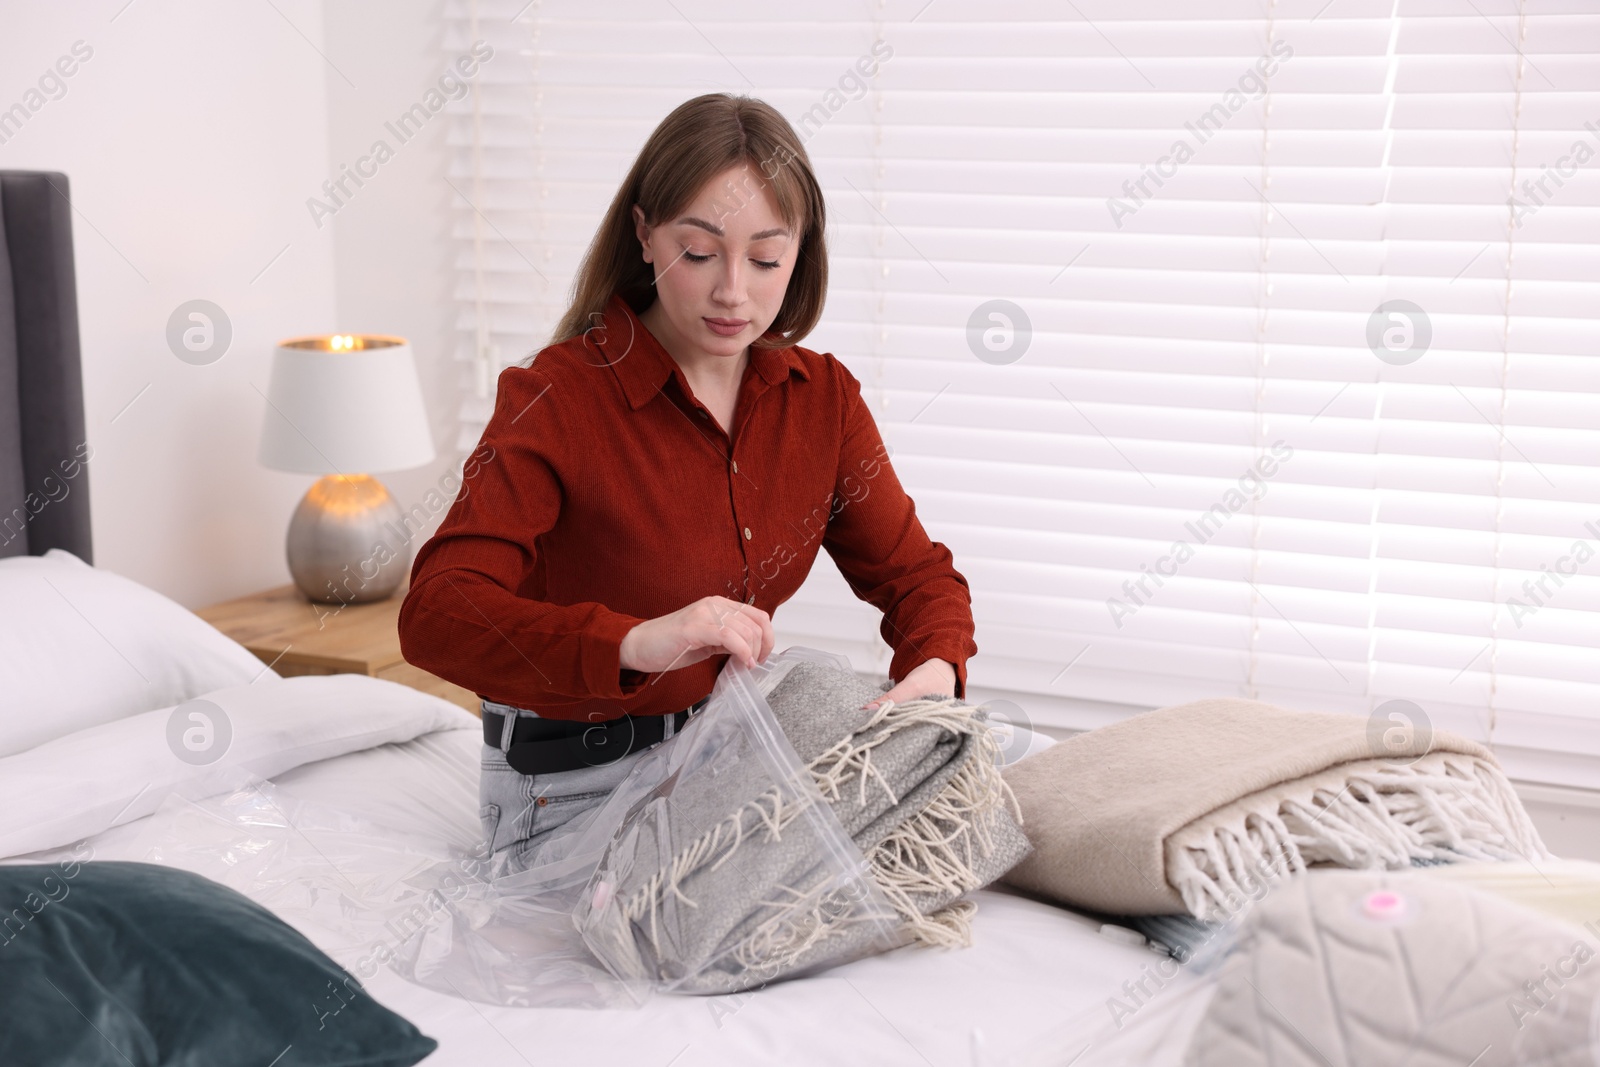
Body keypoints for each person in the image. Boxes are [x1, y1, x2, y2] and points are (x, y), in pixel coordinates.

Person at [398, 92, 977, 869]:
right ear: (642, 233)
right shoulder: (557, 396)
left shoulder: (822, 399)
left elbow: (917, 577)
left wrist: (933, 672)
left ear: (801, 251)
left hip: (724, 762)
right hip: (572, 785)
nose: (734, 290)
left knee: (950, 851)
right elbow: (438, 612)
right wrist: (638, 641)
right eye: (699, 252)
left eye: (767, 258)